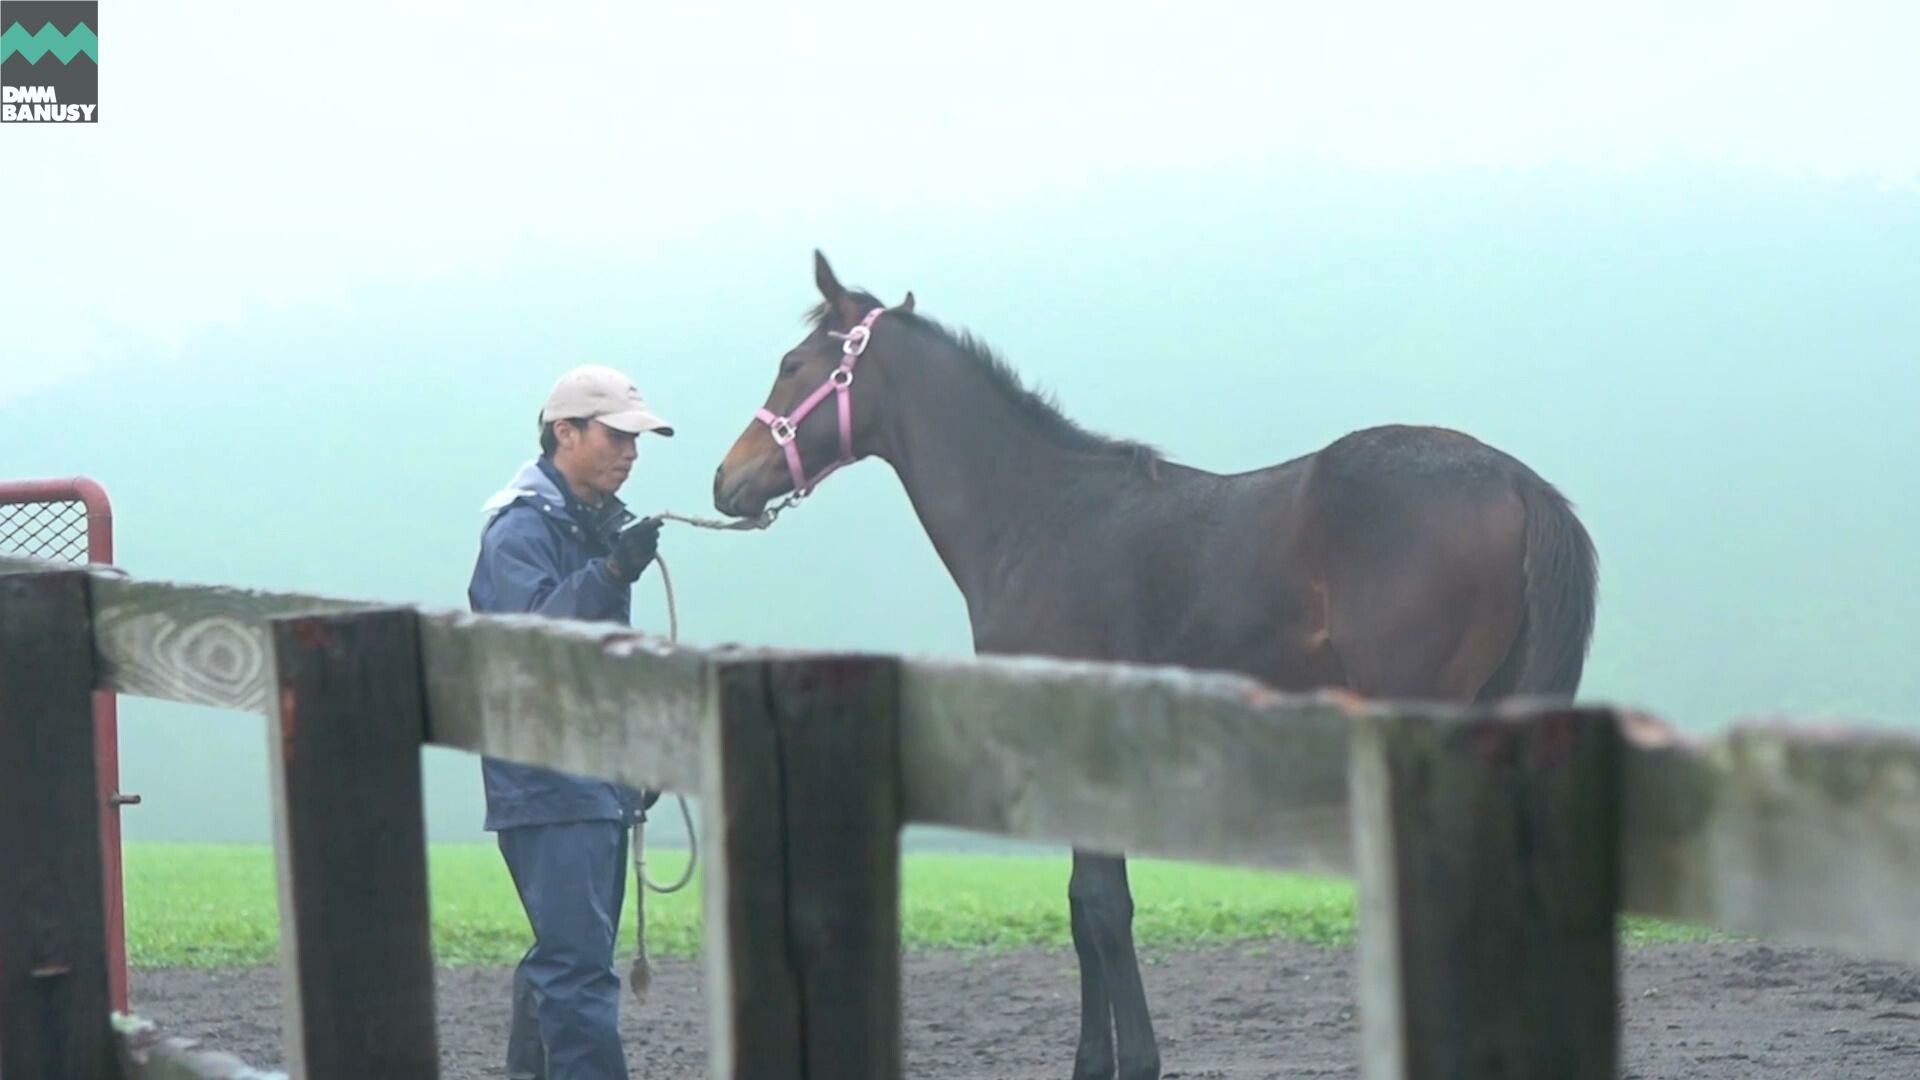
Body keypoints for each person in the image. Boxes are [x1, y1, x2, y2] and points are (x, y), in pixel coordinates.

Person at [469, 364, 673, 1080]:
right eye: (616, 436)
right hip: (548, 780)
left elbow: (602, 668)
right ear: (566, 433)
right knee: (578, 973)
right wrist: (612, 575)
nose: (631, 453)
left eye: (636, 439)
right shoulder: (518, 532)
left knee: (563, 962)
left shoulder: (593, 526)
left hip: (591, 780)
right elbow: (530, 647)